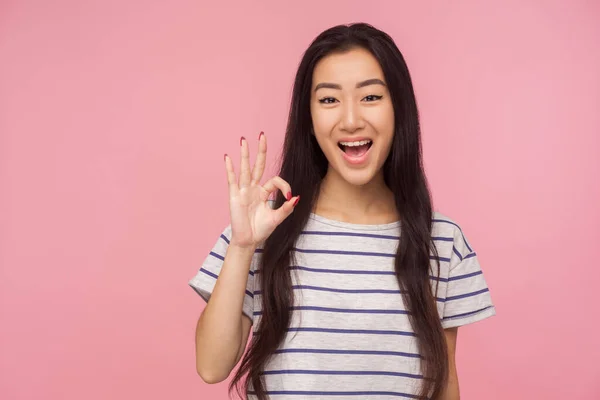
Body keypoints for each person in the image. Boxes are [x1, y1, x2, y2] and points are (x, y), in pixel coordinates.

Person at [188, 22, 495, 400]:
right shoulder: (262, 229)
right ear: (309, 119)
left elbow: (445, 386)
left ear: (399, 108)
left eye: (370, 97)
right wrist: (241, 246)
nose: (350, 120)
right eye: (329, 100)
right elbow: (211, 366)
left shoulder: (442, 242)